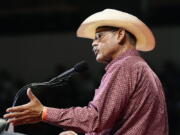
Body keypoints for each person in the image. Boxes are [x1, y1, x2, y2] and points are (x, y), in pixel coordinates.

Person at [3, 9, 168, 135]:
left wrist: (44, 113)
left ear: (120, 35)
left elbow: (96, 119)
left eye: (99, 36)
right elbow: (115, 124)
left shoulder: (125, 66)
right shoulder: (142, 68)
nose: (93, 43)